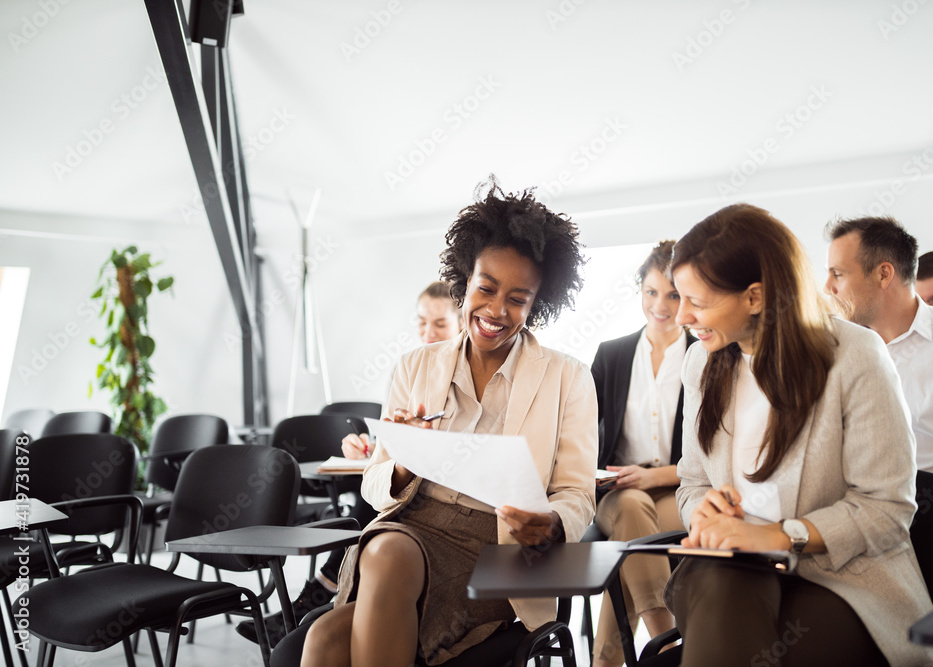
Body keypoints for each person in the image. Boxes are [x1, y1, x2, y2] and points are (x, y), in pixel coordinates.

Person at [297, 181, 598, 667]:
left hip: (498, 549)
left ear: (538, 303)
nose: (497, 310)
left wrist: (551, 523)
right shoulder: (415, 367)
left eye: (518, 298)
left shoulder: (568, 378)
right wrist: (403, 460)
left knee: (327, 641)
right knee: (350, 601)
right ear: (464, 279)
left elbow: (579, 494)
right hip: (414, 525)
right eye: (486, 288)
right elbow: (376, 485)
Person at [664, 203, 933, 666]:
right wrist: (707, 509)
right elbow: (692, 482)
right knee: (722, 589)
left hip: (843, 576)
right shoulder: (701, 363)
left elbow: (887, 508)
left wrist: (782, 535)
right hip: (734, 566)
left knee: (783, 646)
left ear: (756, 297)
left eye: (696, 302)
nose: (680, 317)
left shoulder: (855, 355)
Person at [236, 281, 462, 646]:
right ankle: (322, 598)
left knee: (368, 505)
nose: (427, 332)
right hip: (404, 484)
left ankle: (318, 597)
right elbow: (396, 438)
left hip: (442, 500)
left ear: (462, 323)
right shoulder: (409, 368)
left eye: (439, 324)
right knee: (370, 495)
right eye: (421, 321)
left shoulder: (467, 373)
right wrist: (370, 447)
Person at [825, 217, 933, 587]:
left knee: (926, 569)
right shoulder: (834, 351)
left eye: (837, 274)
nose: (828, 288)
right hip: (865, 511)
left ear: (883, 274)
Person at [588, 240, 695, 667]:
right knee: (631, 510)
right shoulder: (611, 355)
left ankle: (608, 662)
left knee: (632, 550)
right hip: (618, 489)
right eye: (651, 292)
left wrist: (654, 477)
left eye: (673, 294)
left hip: (677, 486)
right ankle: (666, 645)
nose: (661, 305)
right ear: (640, 292)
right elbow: (580, 432)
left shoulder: (705, 356)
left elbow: (712, 451)